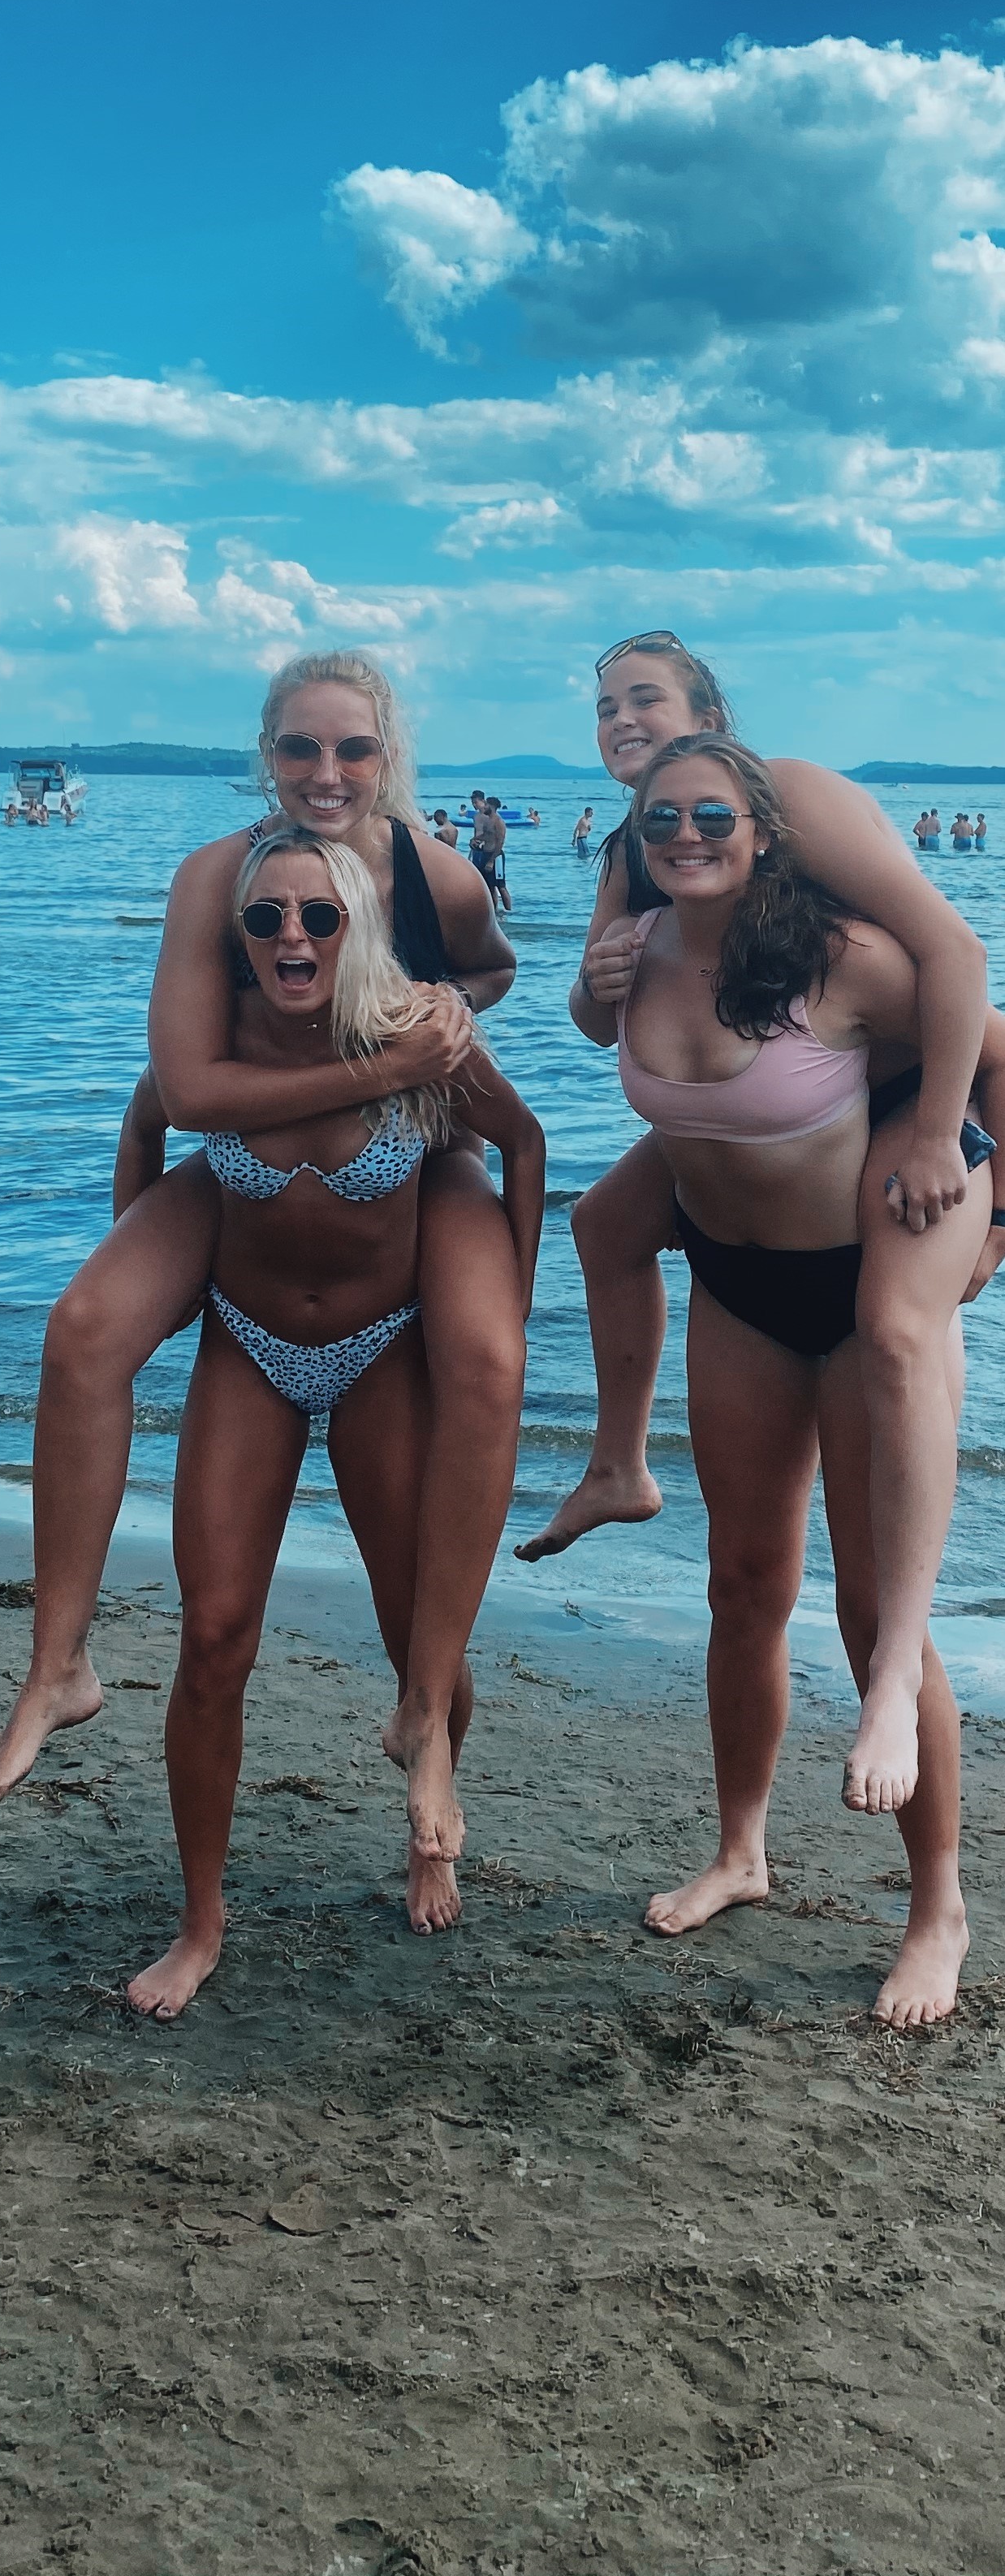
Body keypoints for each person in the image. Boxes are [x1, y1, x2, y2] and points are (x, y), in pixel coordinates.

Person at [0, 650, 524, 1812]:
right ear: (264, 752)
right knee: (83, 1329)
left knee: (487, 1359)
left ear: (388, 754)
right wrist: (378, 1067)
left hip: (411, 1162)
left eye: (354, 748)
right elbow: (187, 1091)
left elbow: (491, 968)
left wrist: (442, 1019)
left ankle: (429, 1712)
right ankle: (57, 1664)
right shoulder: (220, 878)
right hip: (248, 1157)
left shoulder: (435, 876)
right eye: (298, 747)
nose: (326, 773)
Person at [516, 627, 999, 1823]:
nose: (621, 722)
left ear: (713, 720)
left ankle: (913, 1777)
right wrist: (595, 983)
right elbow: (596, 1015)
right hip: (744, 1191)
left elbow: (956, 959)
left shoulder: (800, 811)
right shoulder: (635, 854)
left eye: (645, 698)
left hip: (889, 1115)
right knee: (604, 1226)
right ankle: (618, 1466)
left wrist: (958, 1161)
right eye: (604, 706)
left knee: (895, 1340)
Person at [576, 732, 1005, 2026]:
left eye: (712, 817)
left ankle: (935, 1908)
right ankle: (739, 1852)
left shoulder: (844, 957)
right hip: (735, 1291)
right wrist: (592, 985)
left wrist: (990, 1212)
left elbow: (989, 1044)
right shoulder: (636, 950)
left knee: (877, 1615)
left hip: (857, 1289)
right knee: (742, 1587)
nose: (684, 837)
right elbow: (609, 1072)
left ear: (761, 832)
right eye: (661, 822)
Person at [122, 822, 545, 2013]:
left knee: (421, 1631)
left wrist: (502, 1303)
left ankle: (430, 1812)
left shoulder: (417, 1033)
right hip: (249, 1350)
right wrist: (151, 1275)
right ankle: (199, 1922)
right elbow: (148, 1123)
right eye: (266, 918)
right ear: (237, 935)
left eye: (319, 915)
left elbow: (521, 1141)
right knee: (212, 1640)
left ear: (360, 927)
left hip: (381, 1355)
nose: (292, 936)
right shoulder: (211, 1042)